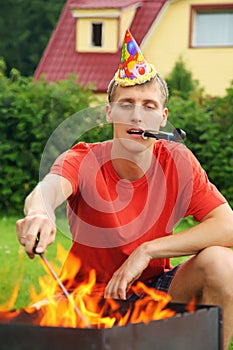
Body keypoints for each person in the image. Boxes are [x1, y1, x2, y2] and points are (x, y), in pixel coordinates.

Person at [16, 30, 233, 349]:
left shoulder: (177, 161)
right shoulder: (83, 157)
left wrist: (148, 252)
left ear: (163, 117)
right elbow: (47, 191)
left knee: (222, 263)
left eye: (148, 105)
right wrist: (39, 215)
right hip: (89, 298)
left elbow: (226, 225)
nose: (136, 114)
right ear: (109, 113)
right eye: (126, 104)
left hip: (155, 290)